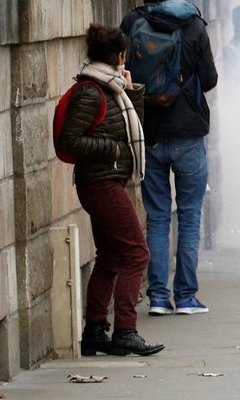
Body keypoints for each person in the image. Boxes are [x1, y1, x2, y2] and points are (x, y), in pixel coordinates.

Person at [56, 24, 164, 356]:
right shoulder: (91, 91)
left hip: (107, 180)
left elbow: (134, 130)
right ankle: (126, 331)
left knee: (112, 256)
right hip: (100, 182)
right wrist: (113, 150)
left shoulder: (112, 88)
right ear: (118, 56)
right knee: (136, 252)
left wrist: (131, 92)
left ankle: (95, 330)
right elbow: (69, 141)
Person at [120, 0, 219, 316]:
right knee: (190, 216)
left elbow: (122, 73)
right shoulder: (193, 24)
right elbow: (209, 80)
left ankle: (159, 297)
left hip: (149, 133)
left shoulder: (133, 22)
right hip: (189, 134)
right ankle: (187, 297)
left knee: (158, 217)